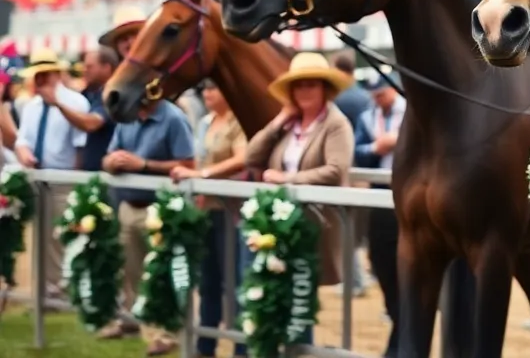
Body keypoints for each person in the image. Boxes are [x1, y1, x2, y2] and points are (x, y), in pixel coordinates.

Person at [246, 52, 355, 345]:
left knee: (302, 290)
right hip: (282, 223)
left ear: (325, 88)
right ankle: (286, 346)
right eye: (299, 85)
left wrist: (287, 180)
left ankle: (300, 347)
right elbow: (251, 156)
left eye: (311, 84)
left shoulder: (336, 123)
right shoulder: (289, 124)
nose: (304, 91)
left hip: (315, 223)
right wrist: (278, 121)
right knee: (281, 286)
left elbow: (335, 170)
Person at [99, 95, 196, 352]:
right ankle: (133, 320)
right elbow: (107, 157)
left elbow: (187, 164)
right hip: (129, 206)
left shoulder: (173, 118)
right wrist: (112, 162)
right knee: (131, 271)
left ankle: (167, 332)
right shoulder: (126, 118)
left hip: (160, 211)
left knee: (164, 274)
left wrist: (143, 164)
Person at [170, 80, 248, 358]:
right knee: (208, 279)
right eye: (205, 89)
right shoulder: (204, 121)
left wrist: (202, 176)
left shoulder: (238, 121)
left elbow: (242, 158)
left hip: (231, 210)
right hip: (205, 210)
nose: (207, 93)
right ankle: (206, 343)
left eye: (214, 88)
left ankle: (242, 346)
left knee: (235, 280)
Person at [13, 48, 90, 298]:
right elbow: (22, 139)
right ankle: (46, 287)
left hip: (64, 179)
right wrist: (24, 152)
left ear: (53, 75)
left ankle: (62, 286)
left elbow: (80, 145)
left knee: (61, 235)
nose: (36, 82)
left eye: (41, 76)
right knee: (42, 236)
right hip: (38, 178)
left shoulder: (76, 103)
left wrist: (77, 183)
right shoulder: (32, 106)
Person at [353, 73, 404, 356]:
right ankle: (397, 317)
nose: (377, 99)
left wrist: (400, 141)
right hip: (380, 196)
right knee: (380, 262)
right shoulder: (367, 117)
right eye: (374, 95)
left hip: (408, 193)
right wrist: (377, 147)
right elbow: (357, 153)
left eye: (381, 93)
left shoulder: (409, 110)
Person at [329, 50, 371, 298]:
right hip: (363, 171)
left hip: (348, 170)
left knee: (347, 228)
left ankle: (355, 280)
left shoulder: (340, 99)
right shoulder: (363, 95)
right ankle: (358, 277)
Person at [53, 46, 119, 172]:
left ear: (107, 68)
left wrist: (58, 104)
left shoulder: (113, 96)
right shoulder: (85, 95)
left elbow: (91, 124)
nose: (84, 70)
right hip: (82, 174)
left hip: (104, 176)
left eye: (90, 66)